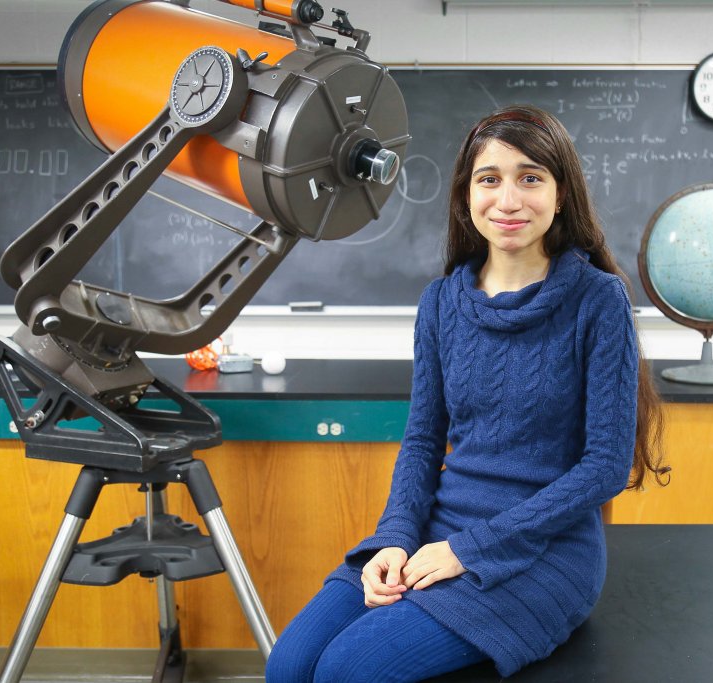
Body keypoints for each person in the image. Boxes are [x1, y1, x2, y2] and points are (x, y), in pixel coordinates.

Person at [265, 104, 667, 683]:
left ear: (561, 194)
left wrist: (469, 550)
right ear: (466, 194)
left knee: (346, 672)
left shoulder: (596, 299)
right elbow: (423, 443)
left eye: (531, 178)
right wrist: (397, 539)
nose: (509, 200)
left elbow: (604, 468)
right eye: (490, 179)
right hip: (437, 532)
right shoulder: (440, 302)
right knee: (290, 665)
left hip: (543, 551)